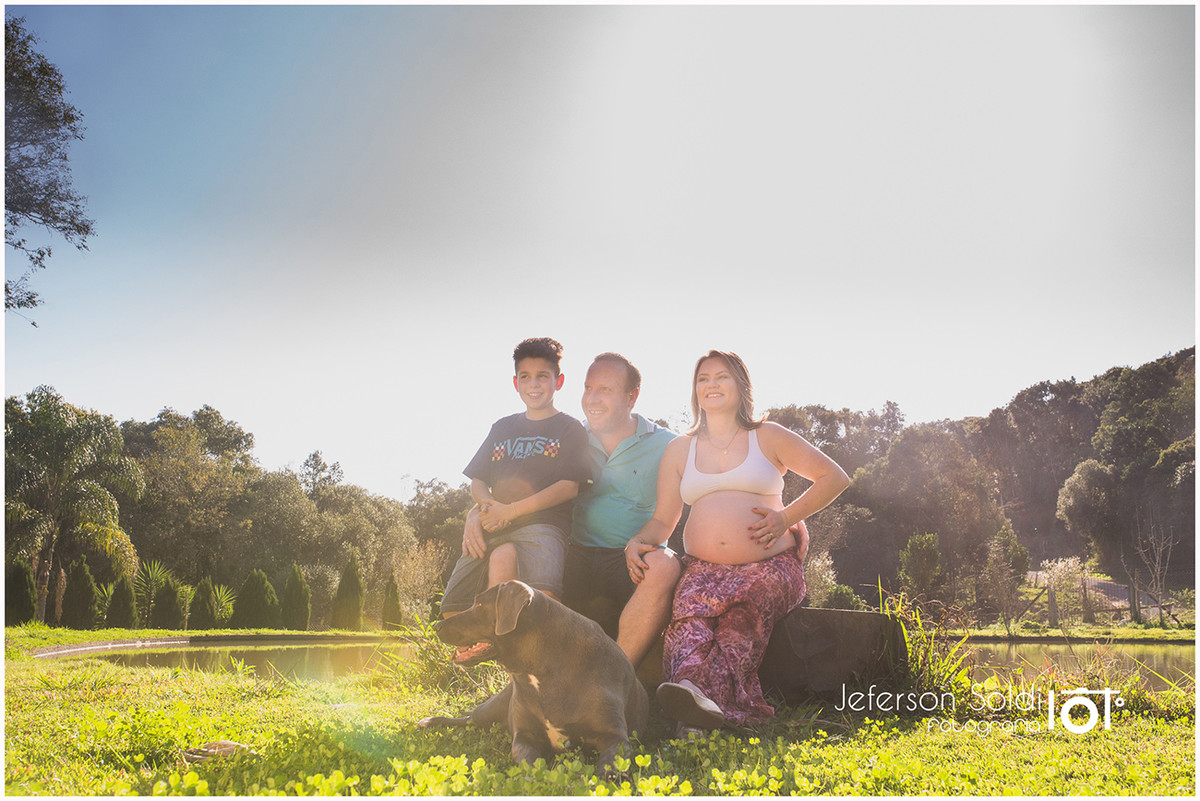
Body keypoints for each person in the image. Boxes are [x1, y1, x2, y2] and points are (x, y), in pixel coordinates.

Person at [625, 350, 850, 733]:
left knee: (738, 626)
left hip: (768, 568)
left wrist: (785, 518)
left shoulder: (768, 435)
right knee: (688, 626)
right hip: (703, 570)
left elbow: (834, 477)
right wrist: (637, 542)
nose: (711, 385)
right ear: (694, 390)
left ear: (741, 385)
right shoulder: (680, 449)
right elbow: (663, 520)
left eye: (721, 377)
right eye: (703, 379)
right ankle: (691, 699)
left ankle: (699, 709)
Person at [439, 337, 592, 616]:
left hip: (542, 525)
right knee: (453, 610)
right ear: (515, 383)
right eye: (525, 377)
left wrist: (511, 510)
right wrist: (486, 507)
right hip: (493, 524)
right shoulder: (502, 427)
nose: (533, 384)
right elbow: (478, 479)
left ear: (558, 382)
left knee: (541, 604)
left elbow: (568, 487)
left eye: (542, 376)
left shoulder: (569, 428)